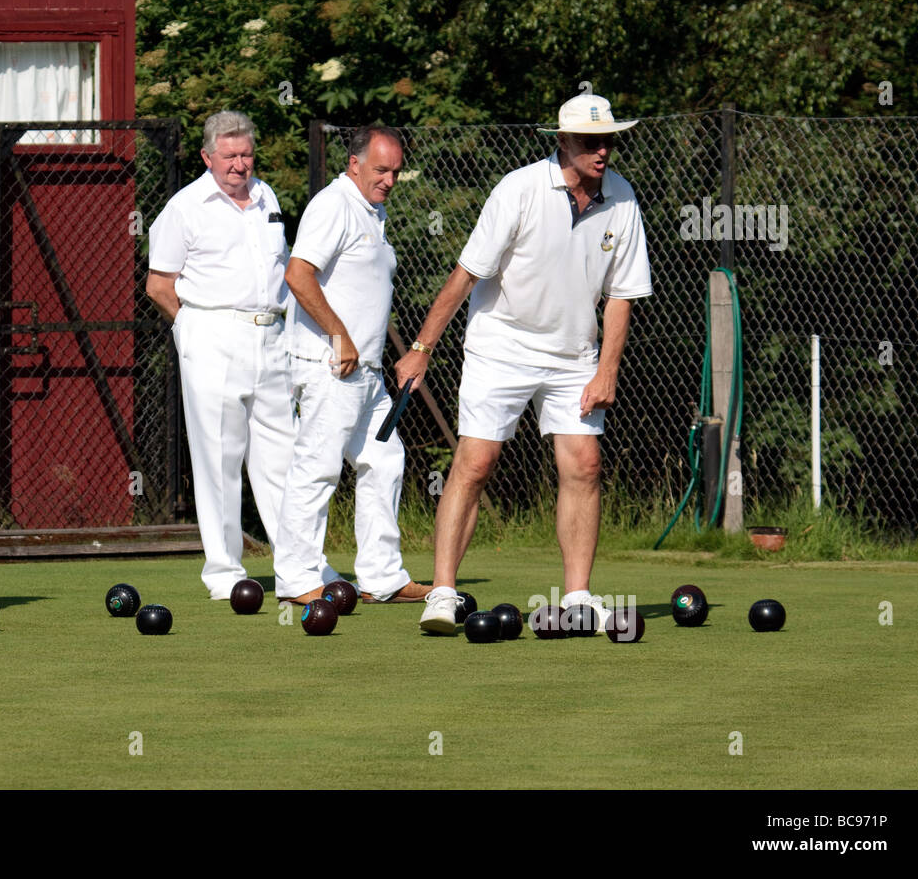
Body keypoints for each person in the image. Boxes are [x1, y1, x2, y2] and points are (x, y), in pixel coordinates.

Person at [393, 94, 653, 635]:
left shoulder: (623, 199)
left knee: (584, 464)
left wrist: (607, 371)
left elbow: (623, 296)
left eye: (608, 140)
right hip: (502, 345)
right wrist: (422, 347)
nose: (602, 151)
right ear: (562, 142)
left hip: (574, 354)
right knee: (477, 462)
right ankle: (442, 594)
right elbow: (465, 275)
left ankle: (578, 597)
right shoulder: (519, 189)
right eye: (589, 141)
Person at [146, 111, 341, 599]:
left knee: (285, 458)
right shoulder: (184, 207)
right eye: (229, 156)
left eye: (246, 154)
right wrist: (190, 330)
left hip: (271, 336)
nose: (239, 165)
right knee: (218, 457)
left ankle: (300, 566)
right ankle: (224, 572)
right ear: (207, 157)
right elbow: (159, 285)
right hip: (213, 334)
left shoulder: (267, 197)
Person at [273, 125, 432, 605]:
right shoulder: (334, 204)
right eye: (380, 170)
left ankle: (382, 578)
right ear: (354, 163)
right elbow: (298, 275)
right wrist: (339, 337)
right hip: (330, 366)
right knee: (318, 468)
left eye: (396, 172)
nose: (389, 180)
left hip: (367, 373)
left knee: (385, 462)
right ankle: (297, 580)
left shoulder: (372, 211)